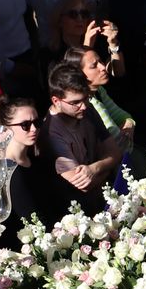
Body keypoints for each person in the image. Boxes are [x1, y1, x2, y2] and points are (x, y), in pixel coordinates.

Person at [46, 63, 122, 213]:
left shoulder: (87, 110)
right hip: (77, 212)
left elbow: (116, 152)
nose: (84, 106)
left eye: (86, 98)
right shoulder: (52, 135)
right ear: (56, 101)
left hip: (107, 198)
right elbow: (83, 185)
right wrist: (109, 166)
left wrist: (95, 168)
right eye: (75, 103)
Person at [0, 94, 61, 237]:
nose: (33, 129)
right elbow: (29, 217)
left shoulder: (38, 162)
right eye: (25, 125)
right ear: (6, 128)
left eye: (37, 122)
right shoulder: (7, 170)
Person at [70, 44, 136, 159]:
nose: (103, 67)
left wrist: (129, 124)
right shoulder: (84, 105)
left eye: (100, 61)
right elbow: (114, 140)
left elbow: (124, 116)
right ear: (79, 74)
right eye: (94, 66)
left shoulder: (98, 91)